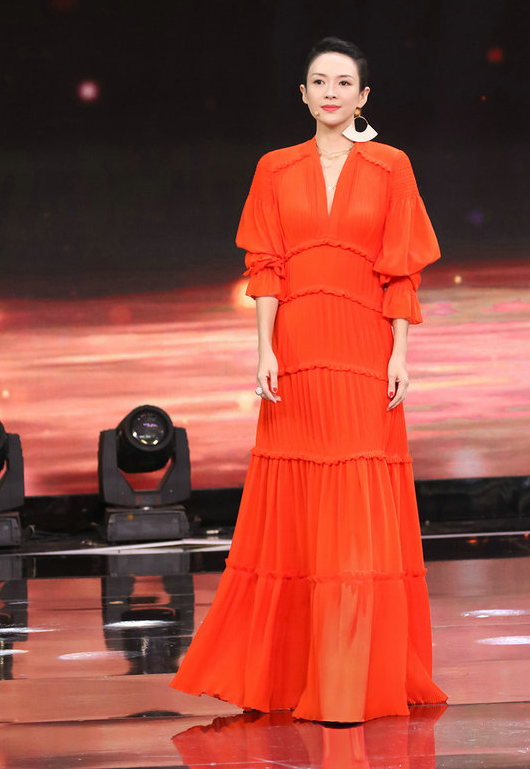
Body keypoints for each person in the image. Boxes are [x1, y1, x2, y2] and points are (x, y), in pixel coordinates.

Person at [170, 36, 447, 722]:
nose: (331, 92)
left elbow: (401, 270)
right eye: (319, 81)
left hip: (362, 348)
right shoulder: (275, 168)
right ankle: (291, 676)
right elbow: (265, 267)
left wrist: (399, 354)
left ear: (363, 95)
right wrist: (263, 349)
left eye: (343, 82)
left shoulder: (391, 166)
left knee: (354, 509)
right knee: (297, 514)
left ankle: (349, 683)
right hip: (296, 350)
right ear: (302, 93)